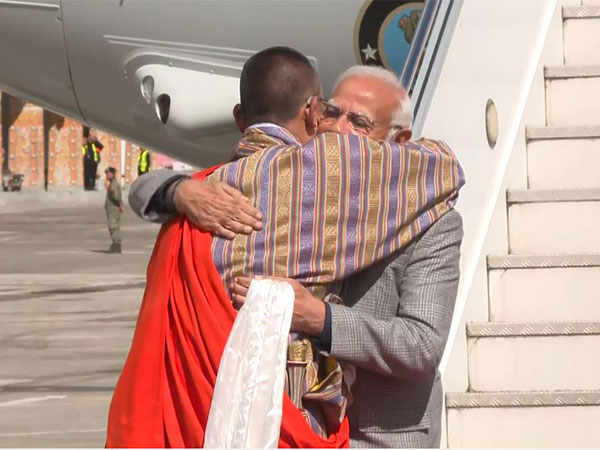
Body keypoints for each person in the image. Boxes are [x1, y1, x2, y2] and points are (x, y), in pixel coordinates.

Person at [108, 47, 464, 448]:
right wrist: (180, 190)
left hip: (379, 437)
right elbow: (150, 187)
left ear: (399, 142)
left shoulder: (432, 220)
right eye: (332, 113)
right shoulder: (297, 187)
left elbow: (422, 345)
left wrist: (321, 319)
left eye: (359, 123)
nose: (339, 130)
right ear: (314, 113)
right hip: (291, 427)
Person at [104, 167, 123, 254]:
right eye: (106, 174)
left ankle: (116, 246)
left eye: (108, 174)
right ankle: (116, 245)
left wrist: (120, 204)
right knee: (114, 227)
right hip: (113, 209)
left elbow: (116, 196)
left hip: (113, 210)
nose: (107, 176)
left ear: (113, 174)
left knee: (113, 227)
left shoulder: (114, 184)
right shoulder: (113, 183)